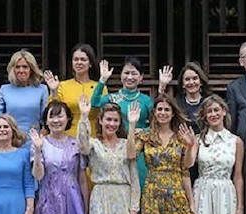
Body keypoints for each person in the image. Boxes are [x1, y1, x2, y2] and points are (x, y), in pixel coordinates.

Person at [91, 56, 153, 187]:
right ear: (120, 76)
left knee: (139, 187)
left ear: (141, 77)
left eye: (134, 73)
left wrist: (144, 131)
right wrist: (102, 80)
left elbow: (157, 125)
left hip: (138, 152)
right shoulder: (113, 98)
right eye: (126, 73)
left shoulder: (146, 100)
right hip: (116, 151)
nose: (129, 77)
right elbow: (95, 103)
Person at [157, 62, 213, 182]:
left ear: (201, 81)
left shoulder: (209, 103)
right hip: (182, 155)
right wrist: (162, 87)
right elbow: (160, 113)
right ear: (182, 84)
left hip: (206, 154)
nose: (191, 82)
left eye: (195, 78)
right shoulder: (177, 103)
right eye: (187, 79)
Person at [43, 43, 107, 137]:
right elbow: (53, 112)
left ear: (90, 63)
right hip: (68, 137)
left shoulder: (100, 87)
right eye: (76, 59)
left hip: (93, 136)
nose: (79, 62)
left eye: (83, 59)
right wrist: (54, 91)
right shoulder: (62, 85)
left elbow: (104, 114)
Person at [0, 50, 48, 138]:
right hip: (10, 139)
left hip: (35, 139)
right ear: (13, 69)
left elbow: (47, 119)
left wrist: (41, 138)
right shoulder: (4, 89)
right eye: (17, 67)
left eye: (25, 67)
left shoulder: (42, 89)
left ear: (31, 69)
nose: (21, 70)